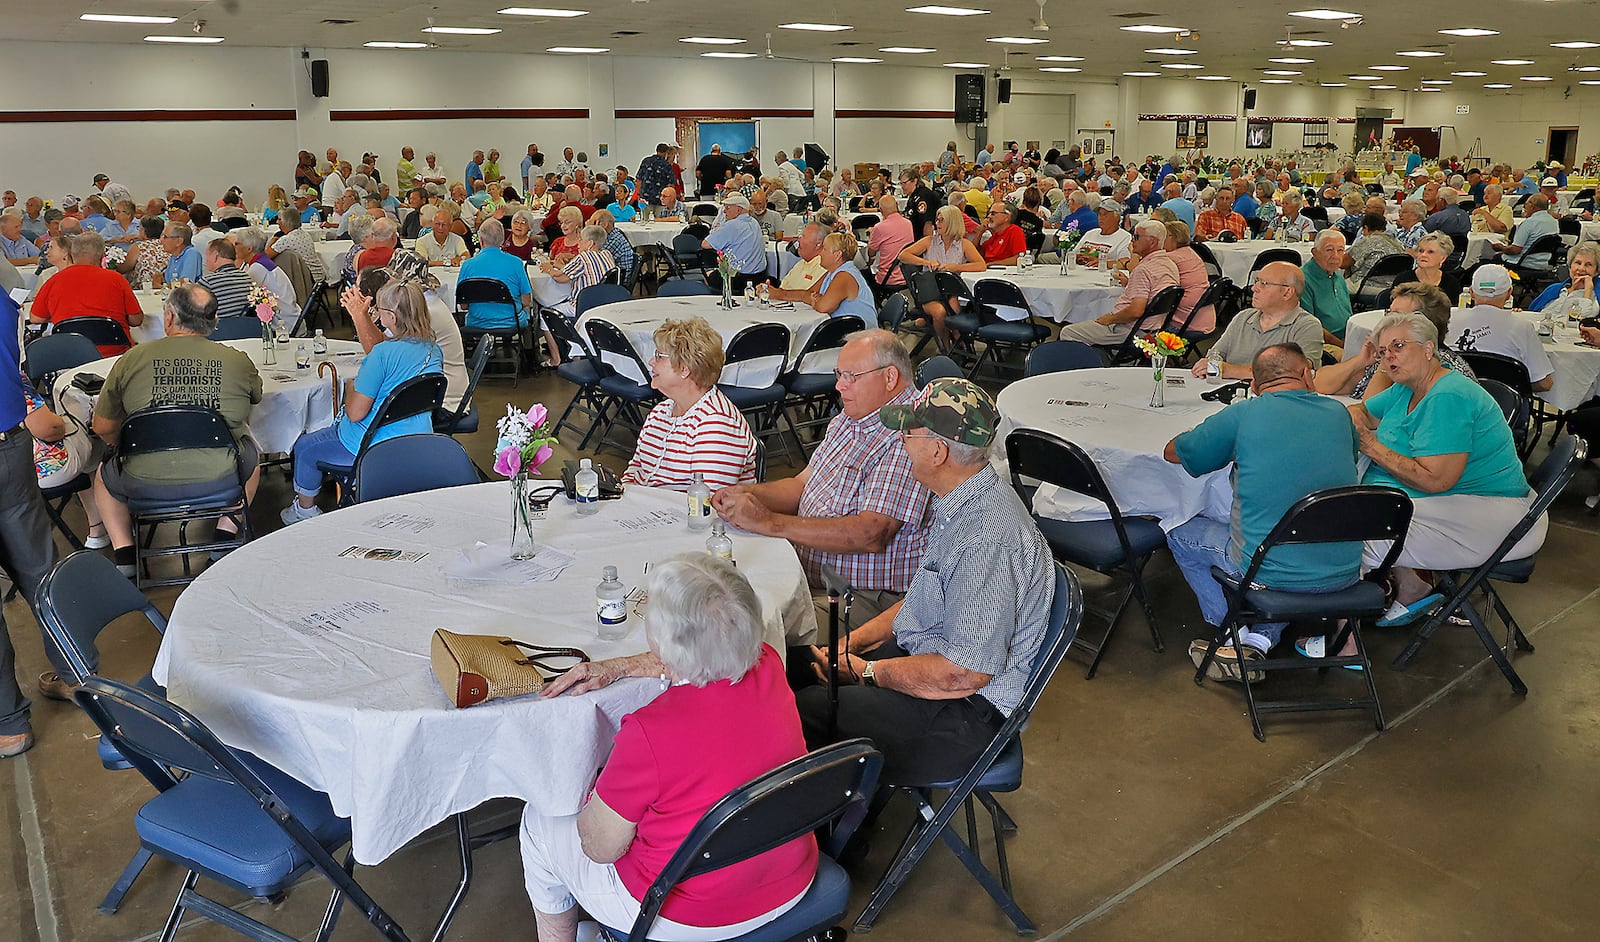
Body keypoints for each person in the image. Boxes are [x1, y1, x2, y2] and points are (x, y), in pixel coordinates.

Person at [523, 554, 817, 942]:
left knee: (539, 820)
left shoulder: (648, 732)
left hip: (688, 914)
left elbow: (599, 849)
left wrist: (592, 796)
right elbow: (707, 653)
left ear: (662, 643)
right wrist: (624, 666)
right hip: (791, 876)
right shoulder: (769, 663)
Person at [793, 377, 1053, 782]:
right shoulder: (962, 498)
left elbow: (963, 673)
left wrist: (866, 672)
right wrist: (849, 645)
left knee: (798, 711)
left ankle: (837, 838)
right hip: (930, 665)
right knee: (797, 663)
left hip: (963, 715)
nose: (900, 441)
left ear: (937, 451)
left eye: (908, 432)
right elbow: (922, 596)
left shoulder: (987, 538)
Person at [712, 330, 932, 640]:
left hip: (864, 597)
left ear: (890, 377)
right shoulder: (851, 417)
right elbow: (802, 485)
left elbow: (871, 533)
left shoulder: (908, 432)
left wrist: (770, 523)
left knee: (741, 636)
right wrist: (746, 493)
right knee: (713, 600)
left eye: (851, 376)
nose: (840, 385)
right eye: (839, 374)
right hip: (808, 575)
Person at [1165, 344, 1361, 680]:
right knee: (1271, 533)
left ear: (1254, 387)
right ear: (1306, 373)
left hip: (1272, 570)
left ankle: (1232, 632)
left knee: (1179, 530)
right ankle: (1257, 638)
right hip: (1343, 570)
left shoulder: (1244, 414)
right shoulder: (1339, 414)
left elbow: (1174, 453)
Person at [1349, 310, 1546, 627]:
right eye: (1383, 351)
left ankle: (1341, 637)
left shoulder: (1448, 396)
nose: (1388, 358)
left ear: (1429, 350)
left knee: (1348, 530)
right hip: (1454, 503)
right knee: (1355, 507)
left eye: (1398, 346)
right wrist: (1362, 427)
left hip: (1490, 516)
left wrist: (1370, 445)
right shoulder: (1408, 387)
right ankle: (1413, 585)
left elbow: (1434, 479)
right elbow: (1362, 413)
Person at [90, 285, 263, 577]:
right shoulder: (236, 359)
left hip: (141, 480)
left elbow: (103, 426)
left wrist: (127, 446)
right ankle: (224, 535)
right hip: (219, 479)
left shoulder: (132, 359)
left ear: (169, 318)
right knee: (252, 456)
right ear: (214, 320)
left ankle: (125, 554)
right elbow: (255, 397)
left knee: (103, 477)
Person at [282, 279, 443, 524]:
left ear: (391, 317)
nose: (376, 314)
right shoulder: (432, 349)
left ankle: (304, 511)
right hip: (418, 436)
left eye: (379, 310)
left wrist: (350, 390)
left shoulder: (381, 354)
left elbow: (356, 413)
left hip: (371, 443)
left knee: (305, 446)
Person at [620, 318, 757, 490]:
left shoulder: (717, 424)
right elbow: (636, 468)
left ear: (685, 369)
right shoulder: (661, 412)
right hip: (647, 509)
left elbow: (707, 503)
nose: (651, 362)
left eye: (659, 356)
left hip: (682, 514)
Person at [342, 267, 469, 424]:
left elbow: (377, 349)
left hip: (441, 403)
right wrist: (364, 315)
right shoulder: (422, 305)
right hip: (436, 394)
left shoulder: (423, 312)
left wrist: (359, 316)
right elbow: (385, 345)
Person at [1316, 283, 1474, 400]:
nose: (1386, 320)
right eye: (1389, 313)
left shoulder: (1433, 365)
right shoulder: (1391, 355)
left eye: (1396, 315)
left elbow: (1371, 412)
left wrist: (1385, 363)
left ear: (1422, 322)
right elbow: (1319, 384)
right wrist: (1360, 361)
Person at [1191, 261, 1324, 379]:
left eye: (1264, 284)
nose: (1254, 288)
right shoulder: (1243, 318)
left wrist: (1229, 370)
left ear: (1287, 292)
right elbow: (1215, 356)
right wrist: (1207, 365)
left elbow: (1296, 373)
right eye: (1256, 281)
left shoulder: (1307, 326)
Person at [1056, 220, 1178, 348]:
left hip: (1131, 330)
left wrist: (1110, 319)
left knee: (1068, 331)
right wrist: (1130, 283)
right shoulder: (1170, 265)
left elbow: (1136, 311)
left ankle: (1090, 365)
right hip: (1154, 328)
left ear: (1152, 241)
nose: (1132, 241)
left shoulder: (1143, 269)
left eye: (1136, 237)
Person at [28, 230, 143, 356]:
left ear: (72, 254)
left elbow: (35, 318)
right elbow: (136, 320)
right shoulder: (116, 279)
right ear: (103, 254)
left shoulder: (54, 280)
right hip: (115, 354)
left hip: (71, 354)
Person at [1443, 264, 1555, 393]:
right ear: (1509, 293)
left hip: (1456, 396)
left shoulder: (1449, 318)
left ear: (1472, 292)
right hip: (1505, 405)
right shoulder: (1522, 326)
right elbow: (1544, 383)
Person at [897, 206, 985, 348]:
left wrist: (955, 267)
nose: (937, 223)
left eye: (941, 220)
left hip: (951, 291)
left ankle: (956, 338)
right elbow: (903, 255)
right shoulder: (928, 241)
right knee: (939, 312)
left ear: (952, 222)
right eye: (937, 220)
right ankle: (946, 347)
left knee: (953, 307)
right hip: (930, 290)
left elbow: (981, 265)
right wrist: (926, 262)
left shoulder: (964, 244)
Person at [459, 218, 534, 332]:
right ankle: (529, 347)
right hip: (511, 321)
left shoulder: (467, 265)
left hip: (476, 322)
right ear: (502, 240)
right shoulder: (516, 263)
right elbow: (526, 300)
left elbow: (463, 305)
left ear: (481, 240)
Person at [538, 224, 616, 318]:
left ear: (590, 243)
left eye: (581, 240)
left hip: (584, 305)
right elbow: (581, 270)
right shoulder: (607, 254)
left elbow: (559, 277)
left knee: (545, 313)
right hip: (604, 303)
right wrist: (558, 265)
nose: (578, 243)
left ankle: (561, 332)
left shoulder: (583, 256)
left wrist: (548, 268)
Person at [702, 193, 767, 289]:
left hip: (738, 279)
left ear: (738, 209)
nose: (724, 211)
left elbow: (705, 244)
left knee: (706, 274)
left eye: (728, 208)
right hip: (760, 277)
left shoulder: (732, 225)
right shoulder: (754, 222)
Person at [1302, 230, 1354, 346]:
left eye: (1340, 250)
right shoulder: (1303, 280)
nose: (1335, 256)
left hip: (1348, 336)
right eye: (1329, 250)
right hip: (1323, 343)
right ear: (1315, 252)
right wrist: (1343, 345)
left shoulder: (1337, 275)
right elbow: (1309, 327)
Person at [1530, 242, 1600, 321]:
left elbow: (1582, 321)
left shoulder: (1596, 297)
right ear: (1570, 266)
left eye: (1588, 264)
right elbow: (1532, 314)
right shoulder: (1554, 289)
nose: (1581, 268)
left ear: (1596, 271)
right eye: (1578, 263)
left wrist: (1588, 291)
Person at [1495, 194, 1560, 270]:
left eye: (1525, 205)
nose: (1524, 208)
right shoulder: (1554, 222)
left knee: (1489, 260)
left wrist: (1501, 248)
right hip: (1542, 263)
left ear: (1532, 206)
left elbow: (1515, 250)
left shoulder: (1529, 223)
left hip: (1523, 263)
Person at [1344, 212, 1405, 291]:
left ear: (1365, 227)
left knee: (1335, 286)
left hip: (1367, 284)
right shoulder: (1397, 242)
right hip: (1394, 286)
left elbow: (1344, 263)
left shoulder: (1367, 241)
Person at [865, 194, 913, 289]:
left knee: (864, 273)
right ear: (897, 205)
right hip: (906, 275)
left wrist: (872, 236)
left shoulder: (879, 227)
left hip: (887, 278)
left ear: (881, 210)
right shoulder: (908, 223)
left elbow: (871, 253)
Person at [116, 215, 171, 289]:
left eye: (139, 228)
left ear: (144, 231)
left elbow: (124, 268)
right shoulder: (167, 244)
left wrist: (114, 263)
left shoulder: (139, 246)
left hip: (142, 288)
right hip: (164, 286)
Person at [1074, 200, 1134, 265]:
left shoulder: (1125, 237)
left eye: (1105, 214)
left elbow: (1124, 262)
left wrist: (1102, 262)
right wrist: (1078, 257)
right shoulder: (1090, 233)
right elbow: (1073, 254)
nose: (1101, 218)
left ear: (1117, 217)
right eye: (1099, 214)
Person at [777, 222, 829, 293]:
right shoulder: (801, 264)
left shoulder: (824, 267)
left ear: (818, 244)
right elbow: (782, 288)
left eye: (803, 237)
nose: (799, 240)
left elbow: (809, 297)